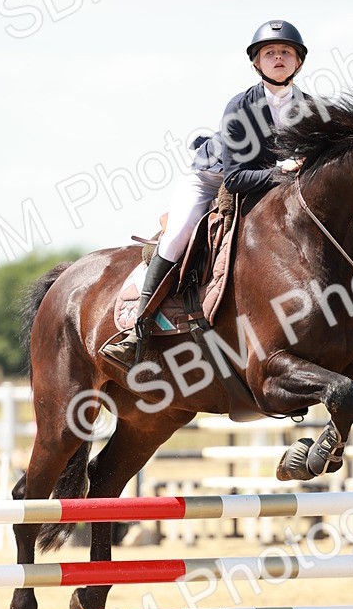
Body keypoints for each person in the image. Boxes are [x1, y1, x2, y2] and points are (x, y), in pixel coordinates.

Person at [102, 19, 308, 365]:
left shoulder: (311, 108)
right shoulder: (240, 106)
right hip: (213, 179)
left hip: (276, 184)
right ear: (256, 63)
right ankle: (138, 326)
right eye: (269, 52)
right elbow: (237, 178)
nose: (277, 58)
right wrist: (281, 171)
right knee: (179, 235)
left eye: (285, 52)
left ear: (298, 62)